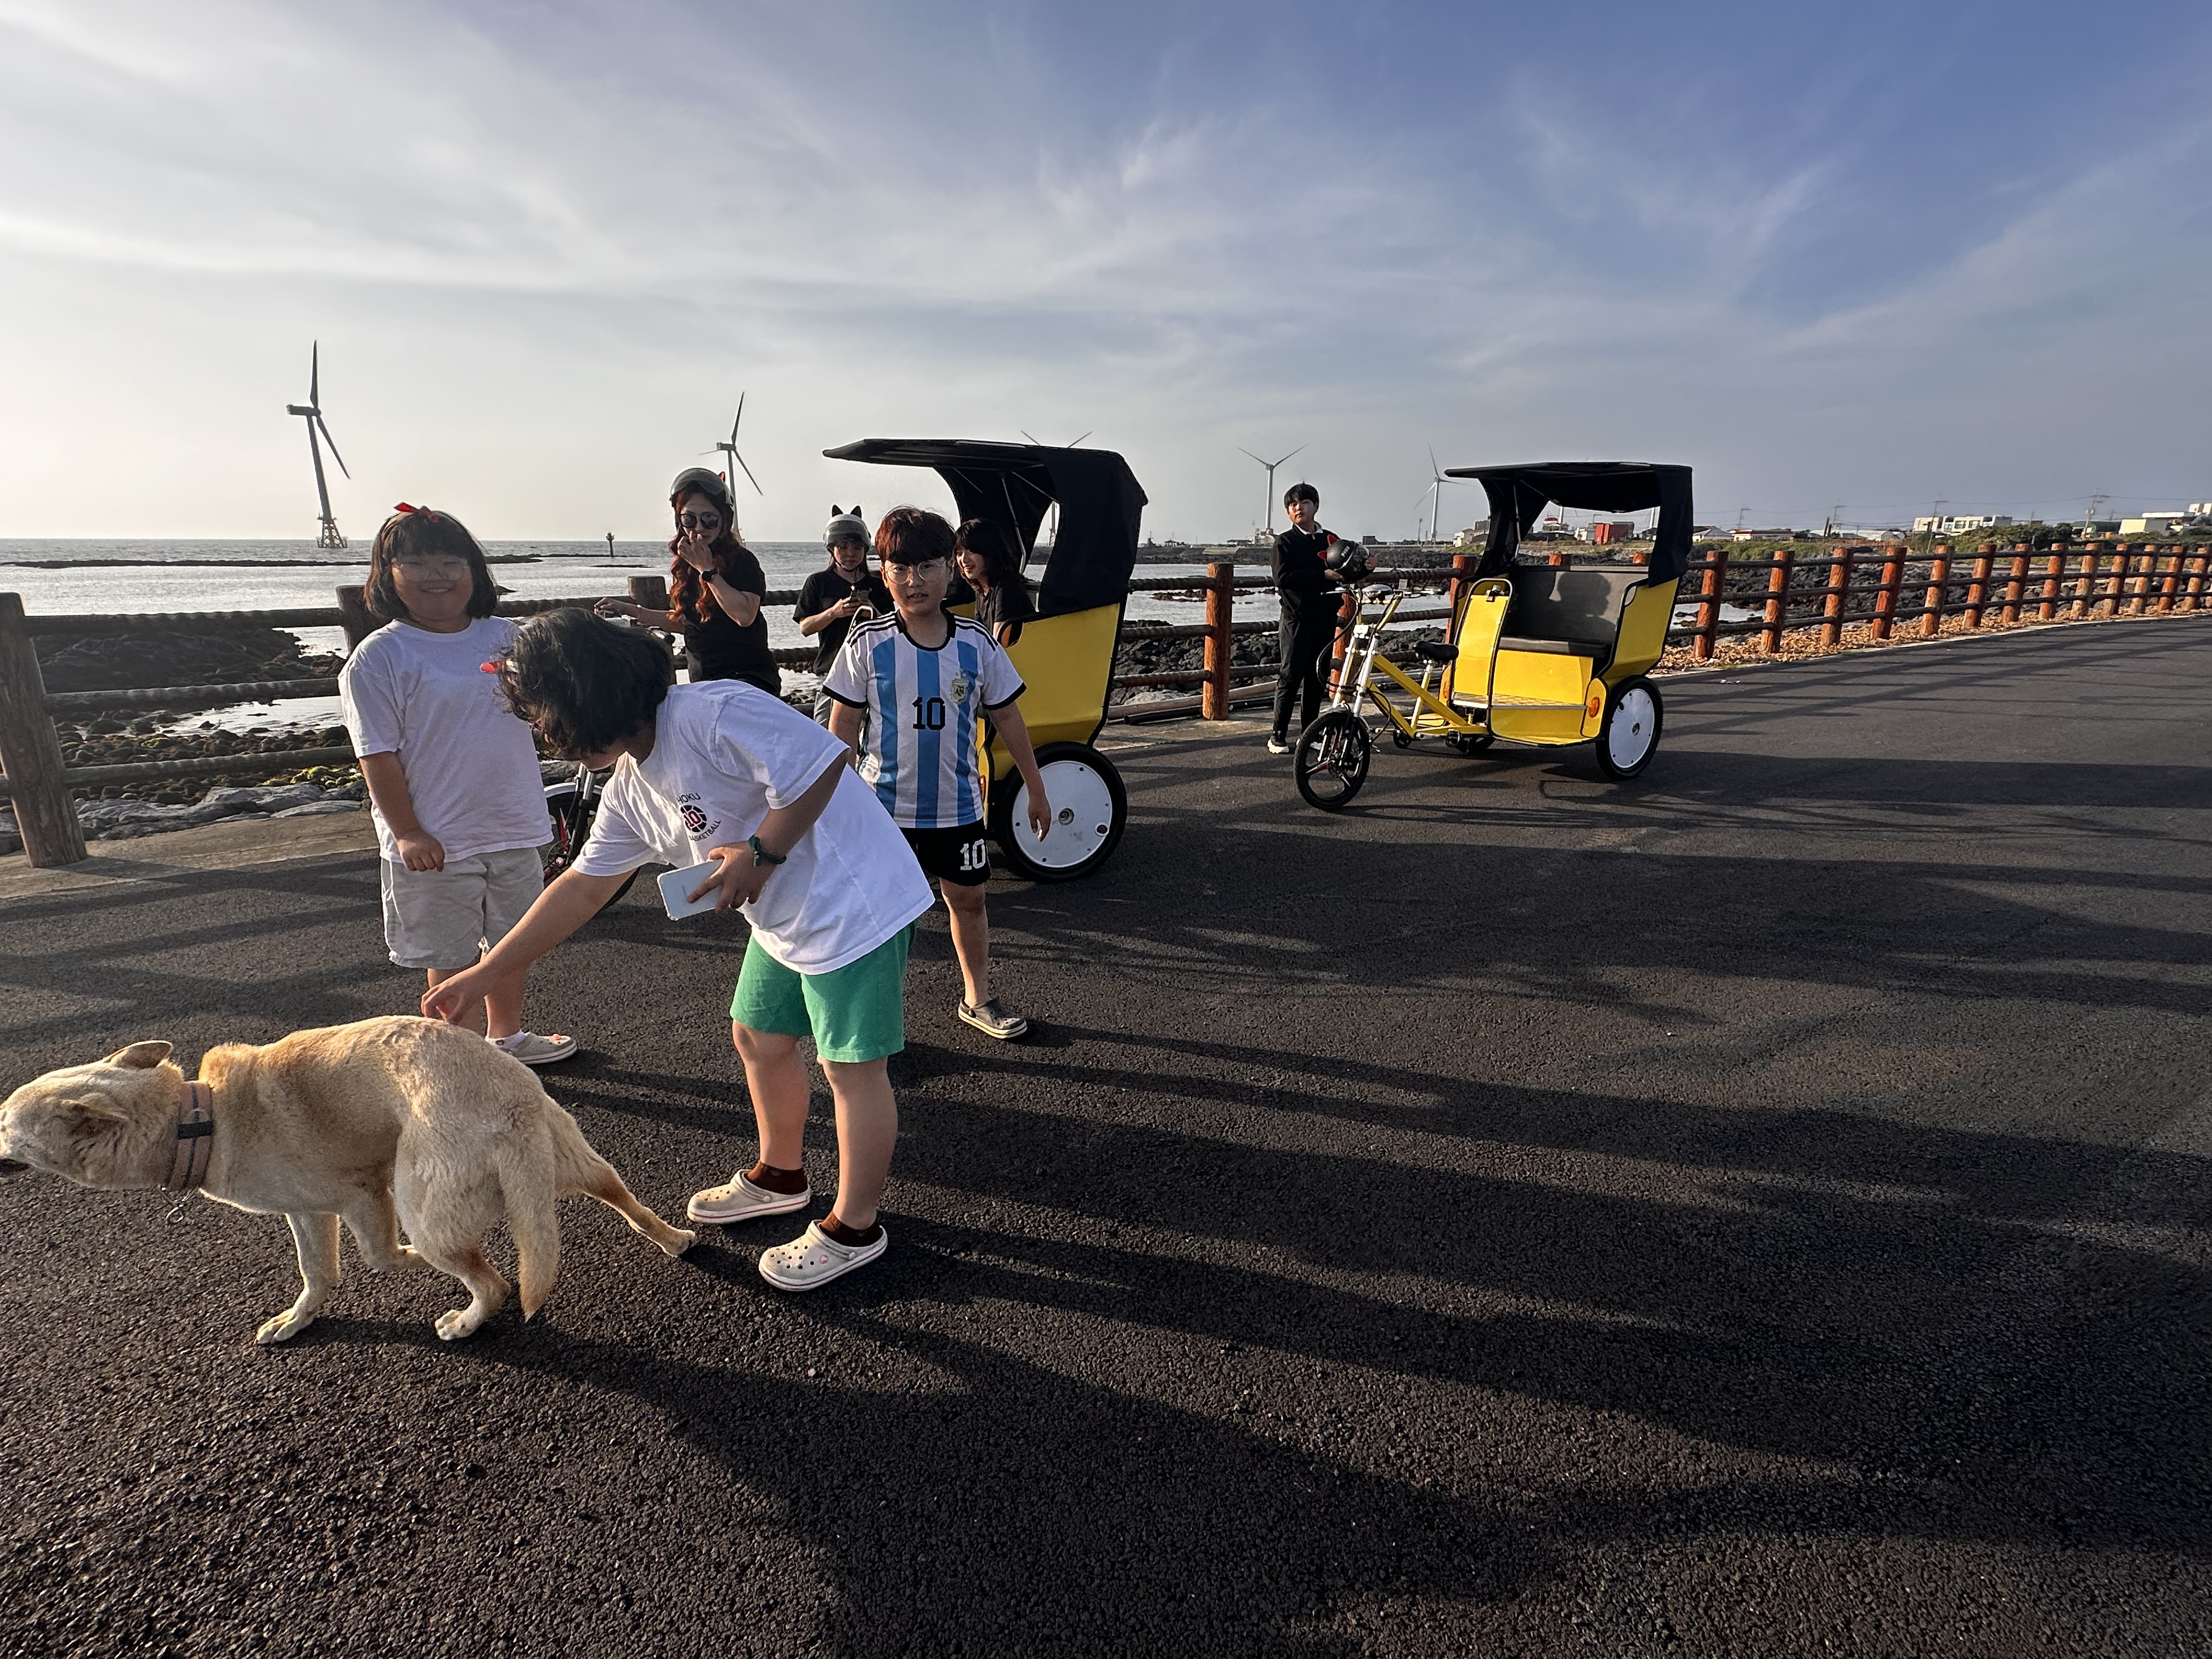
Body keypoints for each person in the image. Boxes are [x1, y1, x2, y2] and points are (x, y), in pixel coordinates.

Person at [424, 609, 934, 1291]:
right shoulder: (631, 785)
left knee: (851, 1071)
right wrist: (487, 972)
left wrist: (761, 850)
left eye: (545, 715)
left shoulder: (715, 711)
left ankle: (856, 1225)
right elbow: (580, 887)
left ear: (588, 689)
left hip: (854, 902)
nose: (544, 735)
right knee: (757, 1035)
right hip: (784, 917)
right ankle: (782, 1174)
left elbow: (823, 763)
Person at [338, 503, 575, 1066]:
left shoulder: (508, 637)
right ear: (389, 575)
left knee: (511, 945)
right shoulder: (380, 657)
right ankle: (458, 1060)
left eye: (452, 561)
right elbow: (377, 753)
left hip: (514, 819)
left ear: (475, 569)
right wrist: (408, 832)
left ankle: (508, 1039)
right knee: (448, 953)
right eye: (418, 563)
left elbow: (541, 707)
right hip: (435, 837)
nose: (438, 575)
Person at [823, 507, 1052, 1042]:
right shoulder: (867, 643)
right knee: (881, 916)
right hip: (883, 815)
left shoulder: (977, 643)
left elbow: (1009, 717)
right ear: (883, 573)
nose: (913, 580)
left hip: (959, 811)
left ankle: (976, 998)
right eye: (899, 567)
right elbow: (842, 731)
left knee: (968, 901)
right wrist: (833, 807)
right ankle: (875, 1019)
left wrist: (1036, 789)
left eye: (926, 566)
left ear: (950, 569)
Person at [595, 468, 780, 696]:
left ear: (724, 520)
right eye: (690, 519)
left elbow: (744, 616)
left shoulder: (742, 561)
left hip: (747, 681)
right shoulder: (686, 566)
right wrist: (629, 609)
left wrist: (707, 570)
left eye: (709, 520)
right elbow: (685, 623)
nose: (699, 529)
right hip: (704, 682)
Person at [1268, 481, 1351, 755]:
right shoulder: (1285, 541)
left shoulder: (1330, 540)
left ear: (1315, 506)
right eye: (1292, 505)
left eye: (1304, 503)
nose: (1298, 508)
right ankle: (1278, 736)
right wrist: (1320, 575)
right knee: (1290, 676)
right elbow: (1283, 578)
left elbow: (1346, 568)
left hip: (1325, 616)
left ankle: (1310, 735)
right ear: (1288, 513)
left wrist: (1365, 567)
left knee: (1318, 677)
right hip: (1296, 618)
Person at [795, 506, 890, 723]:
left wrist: (871, 612)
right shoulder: (817, 582)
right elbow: (805, 627)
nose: (850, 554)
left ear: (865, 549)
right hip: (830, 671)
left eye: (857, 548)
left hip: (871, 671)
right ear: (832, 549)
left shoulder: (878, 585)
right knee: (827, 735)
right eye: (843, 547)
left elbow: (892, 628)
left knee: (871, 736)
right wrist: (833, 613)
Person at [953, 517, 1036, 647]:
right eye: (959, 553)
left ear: (989, 552)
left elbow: (996, 647)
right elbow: (979, 635)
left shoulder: (1007, 588)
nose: (964, 560)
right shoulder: (982, 589)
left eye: (971, 551)